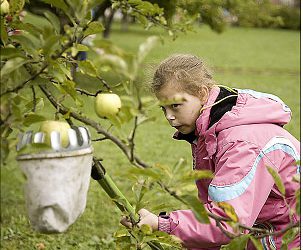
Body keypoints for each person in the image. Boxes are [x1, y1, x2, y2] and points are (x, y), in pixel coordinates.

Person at [121, 54, 300, 249]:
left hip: (288, 236)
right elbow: (214, 205)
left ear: (203, 93)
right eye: (164, 109)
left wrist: (162, 224)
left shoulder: (241, 144)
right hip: (266, 230)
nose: (170, 117)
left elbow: (227, 222)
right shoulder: (212, 129)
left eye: (175, 106)